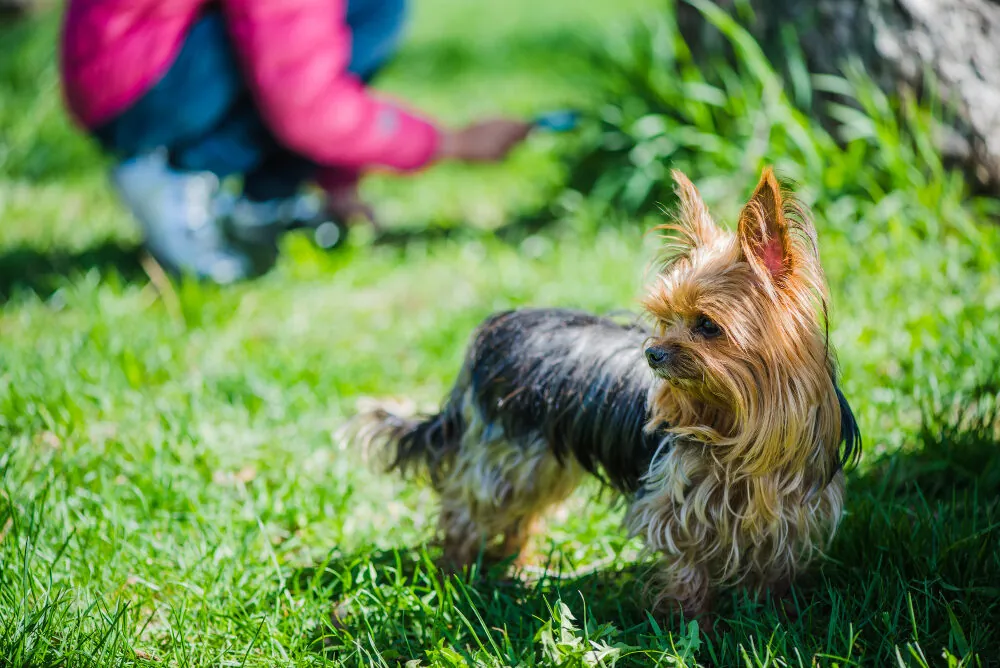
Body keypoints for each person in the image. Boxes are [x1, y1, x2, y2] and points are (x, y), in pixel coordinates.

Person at [60, 0, 533, 283]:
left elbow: (301, 55)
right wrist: (450, 143)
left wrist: (337, 179)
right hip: (139, 87)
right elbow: (302, 104)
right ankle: (175, 173)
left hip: (132, 63)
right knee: (372, 9)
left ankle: (264, 203)